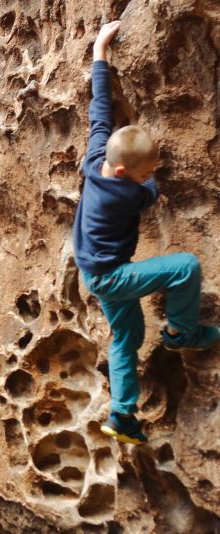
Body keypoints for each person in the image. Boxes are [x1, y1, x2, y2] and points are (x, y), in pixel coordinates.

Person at [73, 20, 219, 445]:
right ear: (123, 173)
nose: (149, 177)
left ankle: (123, 416)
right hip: (111, 276)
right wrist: (153, 181)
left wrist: (101, 51)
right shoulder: (126, 195)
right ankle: (181, 334)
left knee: (127, 337)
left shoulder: (97, 153)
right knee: (185, 267)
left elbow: (100, 107)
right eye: (143, 173)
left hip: (95, 273)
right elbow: (152, 193)